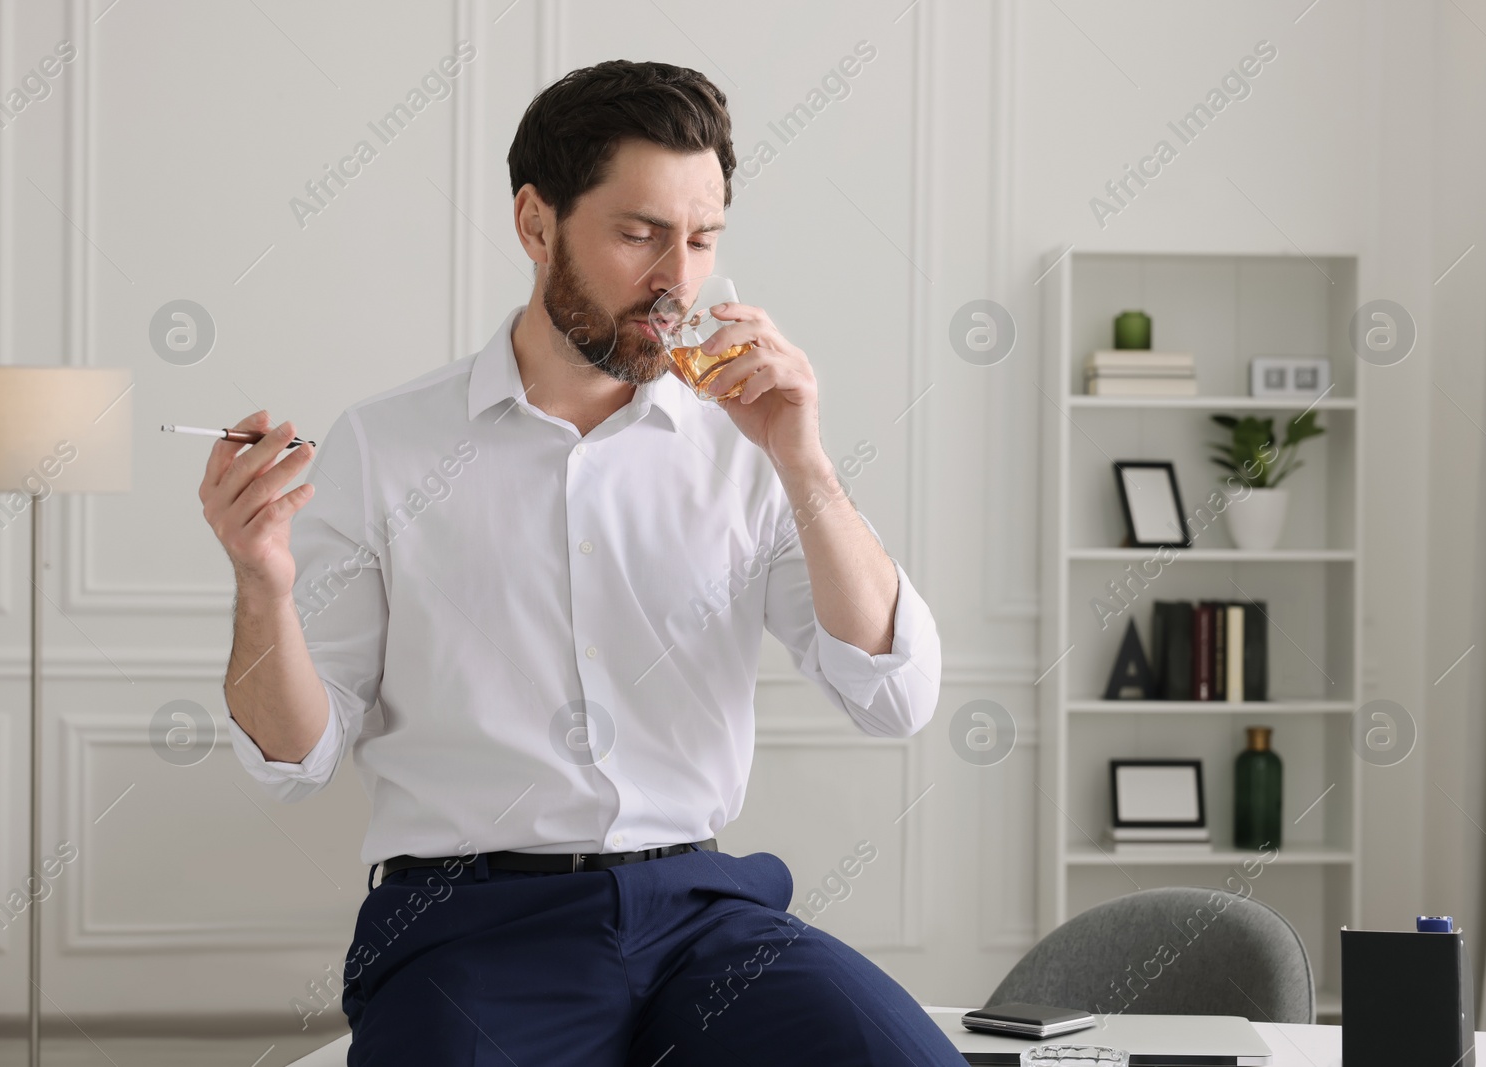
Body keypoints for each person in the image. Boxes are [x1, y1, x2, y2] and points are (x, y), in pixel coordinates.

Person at [199, 59, 956, 1066]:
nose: (676, 279)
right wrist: (263, 585)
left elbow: (893, 696)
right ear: (536, 222)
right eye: (639, 233)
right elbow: (294, 760)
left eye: (702, 239)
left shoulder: (749, 444)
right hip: (470, 923)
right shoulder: (388, 447)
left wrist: (804, 459)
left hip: (702, 913)